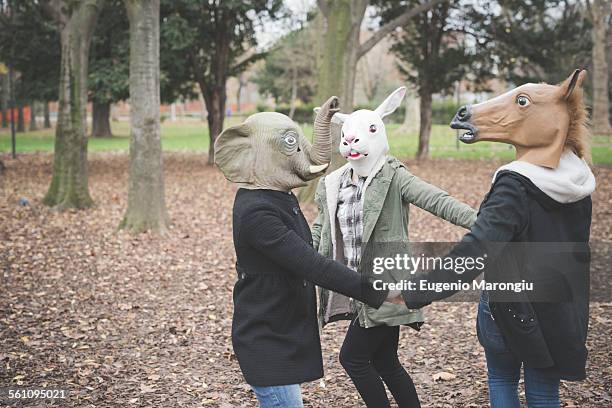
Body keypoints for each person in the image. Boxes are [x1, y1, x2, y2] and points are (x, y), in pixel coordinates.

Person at [394, 70, 595, 408]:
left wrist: (412, 292)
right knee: (545, 392)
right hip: (559, 309)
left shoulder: (515, 186)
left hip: (511, 306)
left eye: (522, 103)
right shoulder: (579, 181)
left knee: (502, 379)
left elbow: (476, 251)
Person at [214, 97, 392, 408]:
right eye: (289, 147)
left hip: (281, 331)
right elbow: (311, 264)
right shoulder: (257, 212)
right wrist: (376, 291)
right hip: (268, 340)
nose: (301, 155)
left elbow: (310, 245)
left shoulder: (277, 197)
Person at [312, 87, 477, 408]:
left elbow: (436, 200)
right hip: (355, 286)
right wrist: (301, 264)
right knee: (385, 361)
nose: (351, 140)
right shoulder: (333, 184)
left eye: (364, 133)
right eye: (346, 135)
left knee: (353, 359)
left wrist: (485, 223)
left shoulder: (393, 176)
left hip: (386, 286)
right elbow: (321, 230)